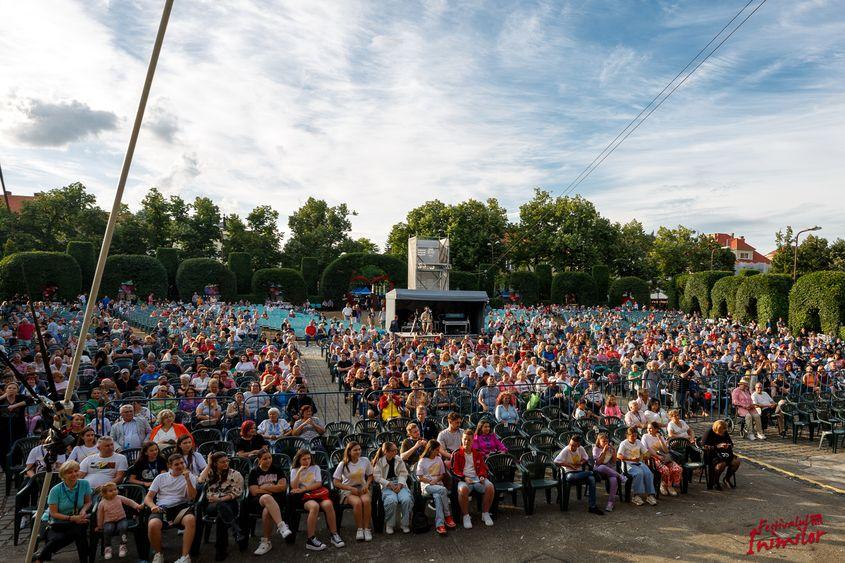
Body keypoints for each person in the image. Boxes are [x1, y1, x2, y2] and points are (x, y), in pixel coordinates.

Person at [33, 460, 92, 563]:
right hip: (56, 521)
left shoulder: (84, 484)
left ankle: (40, 557)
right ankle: (85, 558)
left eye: (76, 471)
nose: (74, 474)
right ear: (63, 475)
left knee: (79, 528)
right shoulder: (55, 490)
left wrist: (83, 510)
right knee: (76, 532)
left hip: (76, 519)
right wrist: (72, 518)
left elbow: (88, 502)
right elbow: (53, 513)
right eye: (70, 472)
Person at [145, 453, 198, 563]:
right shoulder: (160, 477)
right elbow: (148, 498)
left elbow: (192, 497)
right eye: (176, 464)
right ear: (170, 466)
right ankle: (159, 554)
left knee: (190, 520)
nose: (180, 466)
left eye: (182, 463)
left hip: (181, 506)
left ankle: (185, 557)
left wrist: (187, 479)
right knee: (153, 524)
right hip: (162, 507)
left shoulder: (190, 476)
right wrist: (153, 506)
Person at [289, 448, 344, 551]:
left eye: (309, 458)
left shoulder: (315, 468)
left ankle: (334, 534)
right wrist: (300, 471)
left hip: (316, 493)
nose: (307, 461)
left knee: (328, 504)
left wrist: (303, 488)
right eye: (304, 459)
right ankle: (311, 539)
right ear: (299, 460)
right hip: (303, 497)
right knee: (314, 507)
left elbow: (318, 483)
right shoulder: (294, 470)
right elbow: (294, 486)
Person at [198, 451, 247, 560]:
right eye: (222, 462)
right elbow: (200, 480)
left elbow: (237, 492)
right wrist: (209, 464)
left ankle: (221, 550)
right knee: (220, 506)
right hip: (212, 506)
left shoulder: (235, 474)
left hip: (230, 503)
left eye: (227, 461)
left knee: (221, 517)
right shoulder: (210, 472)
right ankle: (236, 531)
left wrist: (220, 499)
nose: (226, 464)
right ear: (215, 464)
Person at [246, 450, 292, 556]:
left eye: (269, 458)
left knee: (267, 511)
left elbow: (283, 487)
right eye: (265, 458)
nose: (268, 460)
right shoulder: (254, 472)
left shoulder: (277, 469)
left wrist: (264, 487)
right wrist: (272, 489)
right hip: (259, 501)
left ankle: (266, 542)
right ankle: (281, 526)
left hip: (277, 500)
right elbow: (254, 491)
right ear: (259, 460)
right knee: (266, 497)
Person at [451, 430, 494, 528]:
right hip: (464, 479)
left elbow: (483, 467)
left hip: (477, 478)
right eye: (465, 439)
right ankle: (466, 516)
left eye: (469, 440)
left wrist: (482, 475)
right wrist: (464, 478)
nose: (467, 442)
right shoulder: (456, 453)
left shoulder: (478, 453)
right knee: (463, 489)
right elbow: (454, 470)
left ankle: (485, 513)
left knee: (490, 486)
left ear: (473, 441)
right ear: (462, 440)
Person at [332, 441, 374, 541]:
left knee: (366, 501)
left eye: (359, 449)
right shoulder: (343, 464)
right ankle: (359, 529)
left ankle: (366, 529)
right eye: (355, 450)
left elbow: (370, 476)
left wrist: (367, 485)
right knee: (357, 503)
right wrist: (350, 489)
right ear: (349, 451)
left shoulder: (365, 460)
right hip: (348, 489)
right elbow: (336, 482)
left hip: (362, 487)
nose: (358, 451)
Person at [554, 435, 604, 515]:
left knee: (591, 479)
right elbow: (556, 461)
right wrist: (569, 465)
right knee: (575, 476)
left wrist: (581, 462)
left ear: (578, 445)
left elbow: (586, 458)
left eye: (574, 446)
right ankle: (592, 472)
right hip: (569, 473)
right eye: (571, 444)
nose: (571, 447)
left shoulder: (581, 449)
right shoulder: (566, 450)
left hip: (580, 472)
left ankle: (592, 506)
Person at [415, 440, 456, 534]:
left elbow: (442, 475)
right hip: (427, 486)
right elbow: (420, 478)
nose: (439, 452)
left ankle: (440, 525)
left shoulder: (438, 459)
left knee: (437, 497)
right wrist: (430, 481)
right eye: (437, 450)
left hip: (438, 485)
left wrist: (436, 480)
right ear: (431, 450)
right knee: (443, 490)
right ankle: (448, 515)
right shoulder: (422, 461)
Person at [372, 442, 413, 534]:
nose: (396, 452)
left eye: (396, 450)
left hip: (399, 483)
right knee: (391, 501)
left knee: (406, 499)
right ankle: (389, 524)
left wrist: (400, 484)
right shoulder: (379, 461)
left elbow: (403, 473)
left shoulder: (398, 459)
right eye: (393, 450)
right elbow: (377, 477)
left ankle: (405, 524)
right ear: (386, 452)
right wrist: (389, 484)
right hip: (387, 485)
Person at [96, 481, 143, 560]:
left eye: (115, 489)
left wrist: (137, 506)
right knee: (107, 530)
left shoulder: (119, 498)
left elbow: (129, 501)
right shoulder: (102, 503)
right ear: (105, 493)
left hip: (121, 518)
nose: (114, 491)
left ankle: (123, 545)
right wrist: (99, 526)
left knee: (123, 527)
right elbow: (100, 515)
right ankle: (107, 548)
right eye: (111, 491)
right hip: (109, 521)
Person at [616, 427, 657, 506]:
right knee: (639, 473)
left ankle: (650, 495)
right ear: (627, 436)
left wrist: (646, 455)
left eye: (635, 436)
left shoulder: (638, 442)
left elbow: (646, 452)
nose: (634, 438)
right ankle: (636, 496)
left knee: (649, 473)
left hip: (639, 463)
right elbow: (618, 456)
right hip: (627, 464)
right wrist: (630, 459)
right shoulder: (624, 443)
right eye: (632, 436)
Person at [641, 421, 682, 497]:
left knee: (677, 469)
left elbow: (666, 450)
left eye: (651, 428)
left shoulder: (660, 436)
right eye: (648, 428)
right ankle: (663, 485)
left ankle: (669, 486)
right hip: (653, 459)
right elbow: (645, 449)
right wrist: (657, 456)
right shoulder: (645, 437)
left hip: (664, 457)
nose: (649, 430)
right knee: (665, 470)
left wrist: (659, 438)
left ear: (656, 429)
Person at [702, 419, 740, 491]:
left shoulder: (725, 432)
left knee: (736, 462)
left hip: (725, 453)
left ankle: (727, 479)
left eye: (725, 430)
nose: (724, 432)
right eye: (722, 430)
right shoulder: (708, 433)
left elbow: (731, 443)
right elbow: (704, 446)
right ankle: (716, 481)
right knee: (721, 465)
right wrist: (717, 446)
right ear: (717, 429)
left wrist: (728, 445)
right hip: (712, 454)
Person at [592, 432, 625, 512]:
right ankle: (620, 476)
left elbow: (613, 462)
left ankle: (610, 503)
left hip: (610, 470)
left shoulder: (610, 448)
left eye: (607, 441)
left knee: (613, 480)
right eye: (603, 441)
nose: (605, 443)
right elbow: (598, 463)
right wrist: (603, 451)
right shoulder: (596, 449)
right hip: (599, 469)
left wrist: (614, 452)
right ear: (599, 441)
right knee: (603, 467)